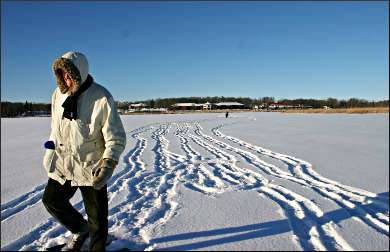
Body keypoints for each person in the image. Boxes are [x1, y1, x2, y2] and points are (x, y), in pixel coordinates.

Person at [42, 51, 126, 251]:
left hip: (92, 167)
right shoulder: (57, 94)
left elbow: (116, 137)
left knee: (97, 218)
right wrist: (50, 150)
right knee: (51, 200)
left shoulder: (101, 96)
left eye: (69, 74)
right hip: (63, 163)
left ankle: (97, 247)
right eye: (62, 74)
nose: (66, 79)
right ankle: (80, 229)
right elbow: (56, 127)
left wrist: (108, 163)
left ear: (80, 72)